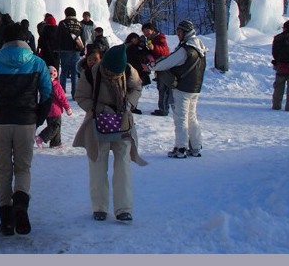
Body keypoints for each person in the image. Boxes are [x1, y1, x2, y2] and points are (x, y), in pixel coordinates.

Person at [0, 22, 52, 236]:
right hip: (26, 120)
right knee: (23, 167)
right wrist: (38, 118)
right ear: (25, 38)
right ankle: (21, 202)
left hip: (0, 120)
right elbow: (47, 94)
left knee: (3, 168)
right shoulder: (37, 63)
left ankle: (6, 219)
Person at [73, 44, 146, 223]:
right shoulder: (90, 74)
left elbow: (137, 87)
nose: (114, 76)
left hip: (123, 124)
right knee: (97, 165)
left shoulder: (128, 71)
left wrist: (129, 104)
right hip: (97, 125)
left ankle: (124, 209)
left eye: (117, 73)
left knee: (123, 167)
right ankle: (99, 207)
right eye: (111, 72)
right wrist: (101, 109)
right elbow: (81, 97)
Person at [150, 20, 207, 158]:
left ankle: (181, 148)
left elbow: (168, 62)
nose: (177, 34)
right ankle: (196, 146)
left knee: (180, 118)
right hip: (195, 88)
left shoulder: (185, 49)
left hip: (182, 88)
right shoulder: (200, 47)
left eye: (179, 31)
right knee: (192, 117)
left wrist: (152, 66)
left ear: (185, 32)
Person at [35, 66, 73, 148]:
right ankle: (42, 137)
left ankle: (56, 143)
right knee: (55, 126)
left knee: (53, 125)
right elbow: (62, 97)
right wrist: (67, 107)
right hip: (55, 110)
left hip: (46, 109)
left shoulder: (44, 84)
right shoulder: (56, 85)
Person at [141, 22, 171, 116]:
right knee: (161, 87)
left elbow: (165, 51)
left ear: (152, 29)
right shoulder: (150, 39)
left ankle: (164, 109)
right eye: (144, 31)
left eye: (147, 30)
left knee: (163, 87)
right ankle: (163, 108)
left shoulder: (159, 38)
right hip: (159, 67)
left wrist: (154, 47)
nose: (146, 33)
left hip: (164, 66)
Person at [57, 7, 84, 100]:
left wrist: (58, 49)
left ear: (66, 14)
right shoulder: (80, 24)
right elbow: (82, 38)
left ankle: (61, 92)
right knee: (74, 72)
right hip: (76, 50)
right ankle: (74, 93)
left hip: (65, 50)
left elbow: (58, 37)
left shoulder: (62, 23)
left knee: (64, 72)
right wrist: (82, 50)